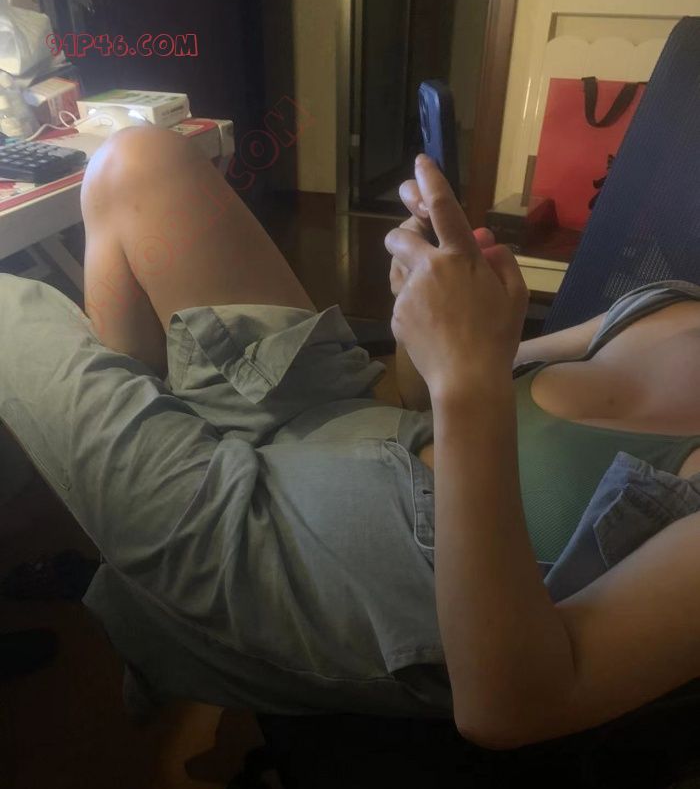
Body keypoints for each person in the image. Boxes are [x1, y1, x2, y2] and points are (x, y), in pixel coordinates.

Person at [0, 126, 698, 748]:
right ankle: (139, 544)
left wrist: (466, 379)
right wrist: (428, 317)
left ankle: (149, 539)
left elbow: (511, 707)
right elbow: (427, 396)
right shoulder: (670, 305)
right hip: (359, 423)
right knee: (137, 163)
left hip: (353, 563)